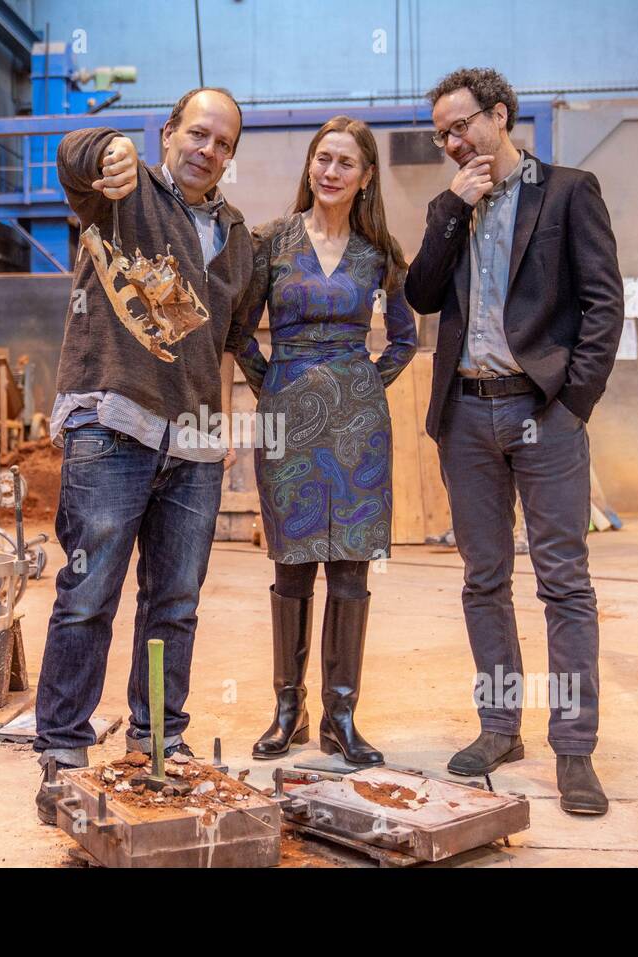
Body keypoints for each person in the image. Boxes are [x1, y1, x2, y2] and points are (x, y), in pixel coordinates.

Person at [404, 68, 623, 814]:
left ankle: (574, 747)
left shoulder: (568, 191)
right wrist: (448, 212)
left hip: (543, 412)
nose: (453, 141)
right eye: (441, 134)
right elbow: (421, 295)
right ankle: (500, 727)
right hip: (466, 415)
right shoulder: (453, 204)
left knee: (564, 582)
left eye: (462, 125)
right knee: (483, 579)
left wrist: (573, 403)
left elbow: (602, 303)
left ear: (499, 115)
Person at [34, 88, 256, 823]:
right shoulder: (122, 196)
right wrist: (106, 150)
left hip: (192, 438)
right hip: (113, 419)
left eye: (223, 143)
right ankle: (63, 746)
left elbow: (223, 338)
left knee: (176, 603)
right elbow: (73, 161)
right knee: (89, 591)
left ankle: (159, 738)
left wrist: (219, 426)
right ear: (167, 133)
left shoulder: (236, 233)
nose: (208, 150)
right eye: (197, 133)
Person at [232, 116, 417, 766]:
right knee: (291, 563)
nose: (331, 170)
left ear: (365, 176)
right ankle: (290, 709)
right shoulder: (270, 242)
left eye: (345, 162)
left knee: (351, 568)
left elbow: (404, 338)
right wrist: (273, 388)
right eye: (323, 158)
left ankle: (341, 714)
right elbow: (239, 332)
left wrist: (366, 384)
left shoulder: (380, 253)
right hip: (289, 424)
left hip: (357, 428)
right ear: (310, 165)